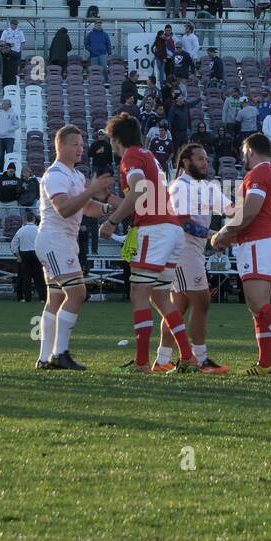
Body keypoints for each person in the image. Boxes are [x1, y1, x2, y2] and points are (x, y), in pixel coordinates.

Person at [99, 114, 200, 373]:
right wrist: (111, 200)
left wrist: (112, 221)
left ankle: (142, 362)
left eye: (109, 137)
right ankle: (188, 357)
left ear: (115, 138)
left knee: (139, 294)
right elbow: (143, 195)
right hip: (170, 228)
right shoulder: (148, 156)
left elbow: (139, 191)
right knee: (160, 297)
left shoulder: (130, 156)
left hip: (154, 230)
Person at [210, 133, 271, 377]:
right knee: (258, 307)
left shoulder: (258, 173)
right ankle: (265, 363)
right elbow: (262, 214)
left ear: (251, 150)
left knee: (256, 304)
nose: (242, 156)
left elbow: (252, 209)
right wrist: (232, 235)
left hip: (258, 243)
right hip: (265, 240)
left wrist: (224, 233)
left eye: (243, 151)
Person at [34, 125, 114, 370]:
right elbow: (64, 208)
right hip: (54, 239)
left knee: (55, 298)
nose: (80, 149)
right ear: (60, 146)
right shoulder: (55, 174)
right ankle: (60, 354)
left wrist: (111, 210)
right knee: (77, 293)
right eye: (75, 144)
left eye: (81, 144)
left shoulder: (75, 176)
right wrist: (92, 190)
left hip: (62, 240)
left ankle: (46, 357)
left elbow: (86, 207)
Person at [151, 143, 231, 374]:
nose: (205, 163)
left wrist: (242, 219)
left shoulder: (204, 187)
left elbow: (231, 209)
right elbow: (182, 222)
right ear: (186, 162)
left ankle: (162, 359)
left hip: (193, 250)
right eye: (200, 159)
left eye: (206, 159)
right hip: (183, 251)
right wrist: (213, 235)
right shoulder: (181, 187)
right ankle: (201, 360)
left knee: (179, 306)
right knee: (202, 301)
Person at [0, 98, 20, 171]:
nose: (2, 105)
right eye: (2, 104)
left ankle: (10, 171)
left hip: (9, 138)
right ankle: (1, 171)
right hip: (0, 137)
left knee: (9, 156)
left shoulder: (13, 113)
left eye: (4, 104)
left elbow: (17, 125)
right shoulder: (0, 113)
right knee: (0, 156)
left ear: (8, 105)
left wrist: (8, 130)